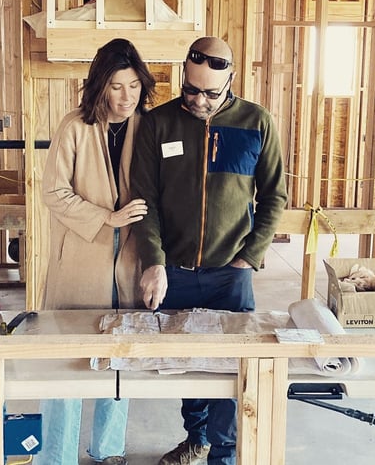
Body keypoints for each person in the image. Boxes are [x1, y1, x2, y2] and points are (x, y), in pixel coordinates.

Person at [130, 36, 288, 465]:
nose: (198, 100)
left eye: (210, 92)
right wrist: (154, 261)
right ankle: (195, 439)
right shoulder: (158, 123)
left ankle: (224, 453)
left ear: (231, 80)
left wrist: (248, 257)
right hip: (174, 272)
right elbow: (143, 198)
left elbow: (275, 198)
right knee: (188, 369)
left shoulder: (256, 122)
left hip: (229, 275)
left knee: (229, 373)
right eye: (191, 88)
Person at [38, 38, 156, 465]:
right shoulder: (75, 127)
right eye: (116, 87)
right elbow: (53, 192)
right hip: (80, 265)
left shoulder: (148, 126)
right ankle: (57, 455)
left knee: (120, 362)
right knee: (65, 362)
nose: (126, 98)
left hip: (129, 263)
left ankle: (109, 451)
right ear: (100, 87)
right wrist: (106, 217)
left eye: (134, 87)